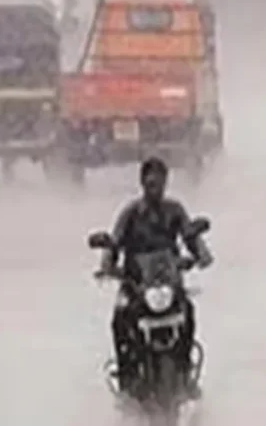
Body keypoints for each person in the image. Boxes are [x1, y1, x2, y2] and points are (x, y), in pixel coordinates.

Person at [97, 157, 213, 399]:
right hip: (136, 283)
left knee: (188, 310)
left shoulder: (175, 210)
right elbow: (114, 242)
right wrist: (107, 264)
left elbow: (190, 235)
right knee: (119, 319)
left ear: (165, 183)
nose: (155, 189)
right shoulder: (130, 213)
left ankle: (185, 371)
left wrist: (201, 255)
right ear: (142, 183)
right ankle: (126, 376)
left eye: (159, 183)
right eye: (150, 183)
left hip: (167, 282)